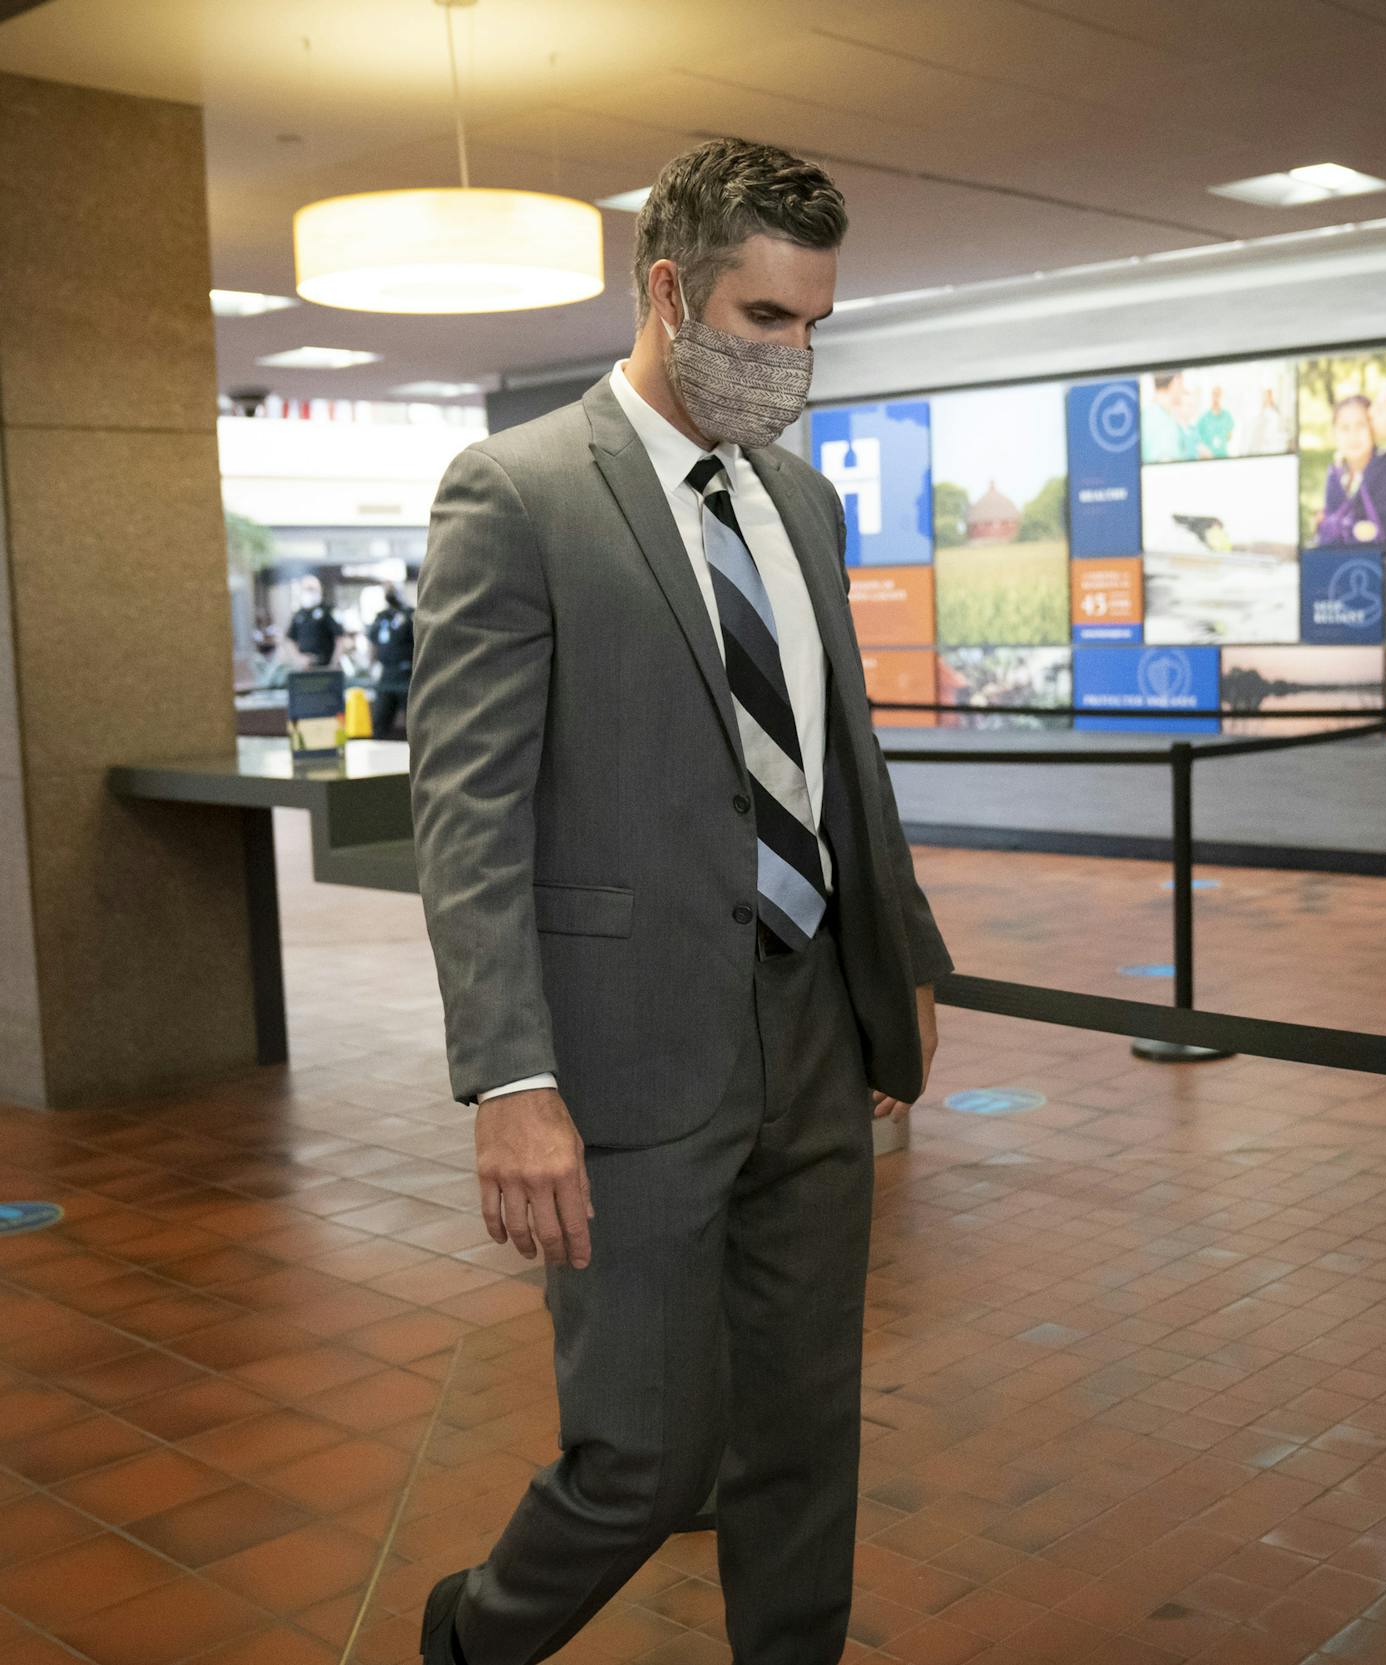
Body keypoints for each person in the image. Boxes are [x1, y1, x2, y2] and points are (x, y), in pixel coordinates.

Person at [408, 136, 954, 1665]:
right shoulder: (517, 494)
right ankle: (472, 1640)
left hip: (813, 1033)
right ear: (670, 291)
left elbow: (842, 753)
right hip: (628, 1050)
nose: (793, 360)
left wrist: (900, 951)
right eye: (766, 321)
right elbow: (466, 810)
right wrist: (511, 1078)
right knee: (643, 1458)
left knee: (801, 1436)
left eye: (814, 326)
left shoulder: (801, 501)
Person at [1315, 393, 1386, 547]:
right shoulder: (1336, 472)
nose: (1353, 435)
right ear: (1334, 433)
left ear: (1372, 429)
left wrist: (1346, 528)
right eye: (1345, 428)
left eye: (1361, 425)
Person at [367, 583, 414, 738]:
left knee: (411, 721)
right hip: (386, 674)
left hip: (406, 674)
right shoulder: (381, 617)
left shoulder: (410, 615)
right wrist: (371, 665)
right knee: (379, 720)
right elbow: (373, 643)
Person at [284, 575, 351, 667]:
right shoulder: (299, 614)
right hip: (305, 667)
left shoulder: (328, 611)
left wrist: (334, 663)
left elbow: (340, 638)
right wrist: (298, 658)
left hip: (324, 664)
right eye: (306, 589)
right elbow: (290, 639)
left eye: (312, 589)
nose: (309, 592)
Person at [1142, 370, 1195, 462]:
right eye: (1182, 383)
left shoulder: (1145, 415)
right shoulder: (1165, 425)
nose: (1183, 389)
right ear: (1176, 380)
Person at [1246, 385, 1288, 454]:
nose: (1268, 397)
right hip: (1264, 436)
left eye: (1270, 395)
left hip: (1273, 435)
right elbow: (1259, 420)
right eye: (1267, 395)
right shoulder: (1262, 408)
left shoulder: (1275, 409)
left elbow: (1279, 420)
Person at [1195, 385, 1234, 458]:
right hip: (1207, 459)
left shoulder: (1227, 416)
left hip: (1223, 456)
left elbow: (1229, 437)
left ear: (1222, 397)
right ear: (1211, 396)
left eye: (1218, 395)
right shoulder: (1203, 418)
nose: (1216, 398)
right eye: (1214, 394)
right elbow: (1197, 440)